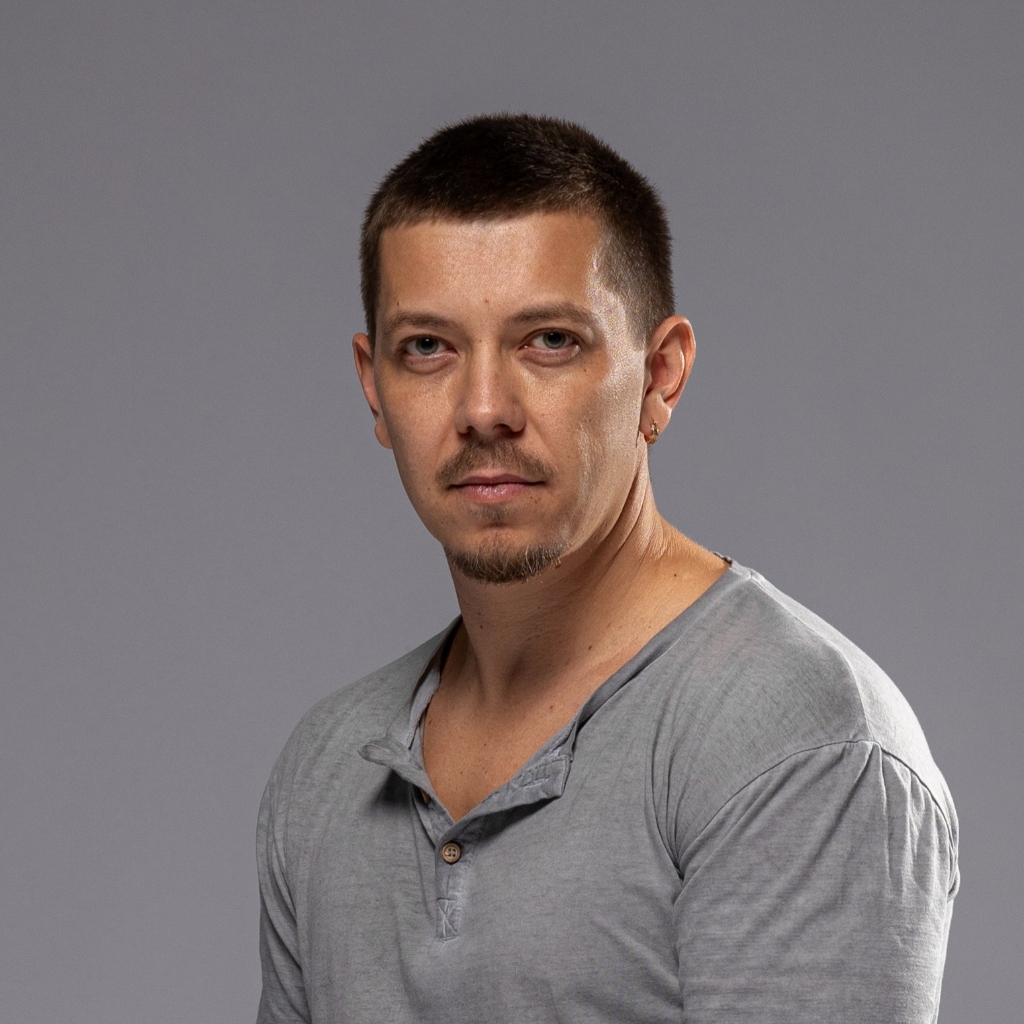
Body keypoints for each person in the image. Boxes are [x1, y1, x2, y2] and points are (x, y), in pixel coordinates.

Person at [256, 114, 958, 1023]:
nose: (483, 408)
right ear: (374, 386)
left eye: (549, 340)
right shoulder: (326, 765)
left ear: (660, 376)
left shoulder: (798, 746)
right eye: (428, 347)